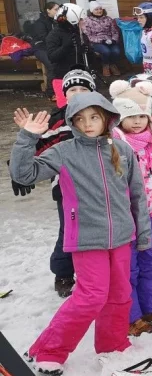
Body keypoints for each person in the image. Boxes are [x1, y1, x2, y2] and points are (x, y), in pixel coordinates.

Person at [10, 93, 151, 375]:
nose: (88, 124)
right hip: (87, 238)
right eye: (80, 119)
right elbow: (23, 174)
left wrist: (143, 233)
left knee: (121, 294)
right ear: (72, 123)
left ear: (107, 118)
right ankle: (49, 350)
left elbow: (138, 195)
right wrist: (27, 137)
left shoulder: (122, 151)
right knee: (91, 296)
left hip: (121, 237)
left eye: (94, 117)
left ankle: (112, 345)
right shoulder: (64, 151)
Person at [109, 80, 152, 336]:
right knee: (129, 268)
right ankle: (131, 314)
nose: (137, 121)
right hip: (126, 217)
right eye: (130, 116)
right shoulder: (112, 146)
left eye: (141, 115)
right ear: (118, 119)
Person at [21, 69, 96, 299]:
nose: (79, 93)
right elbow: (40, 148)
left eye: (84, 89)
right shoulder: (56, 120)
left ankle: (93, 272)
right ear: (65, 94)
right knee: (69, 230)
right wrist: (21, 167)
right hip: (66, 188)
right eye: (73, 89)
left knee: (96, 229)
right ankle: (63, 272)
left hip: (97, 185)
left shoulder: (102, 116)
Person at [25, 2, 58, 99]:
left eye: (58, 9)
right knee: (52, 65)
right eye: (55, 9)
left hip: (53, 47)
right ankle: (51, 93)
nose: (58, 11)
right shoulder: (40, 23)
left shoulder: (56, 21)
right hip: (40, 47)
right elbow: (43, 37)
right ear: (48, 10)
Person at [46, 4, 86, 86]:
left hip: (80, 74)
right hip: (62, 76)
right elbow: (52, 57)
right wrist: (66, 46)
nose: (81, 22)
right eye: (79, 20)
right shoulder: (54, 34)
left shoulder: (78, 32)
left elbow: (89, 59)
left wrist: (88, 52)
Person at [81, 0, 122, 77]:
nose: (99, 11)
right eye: (96, 9)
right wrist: (101, 41)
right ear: (91, 11)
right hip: (96, 42)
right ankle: (105, 65)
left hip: (109, 40)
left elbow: (114, 31)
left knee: (116, 51)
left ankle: (112, 64)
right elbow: (88, 35)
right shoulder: (86, 21)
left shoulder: (108, 19)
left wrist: (113, 40)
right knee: (105, 51)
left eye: (100, 9)